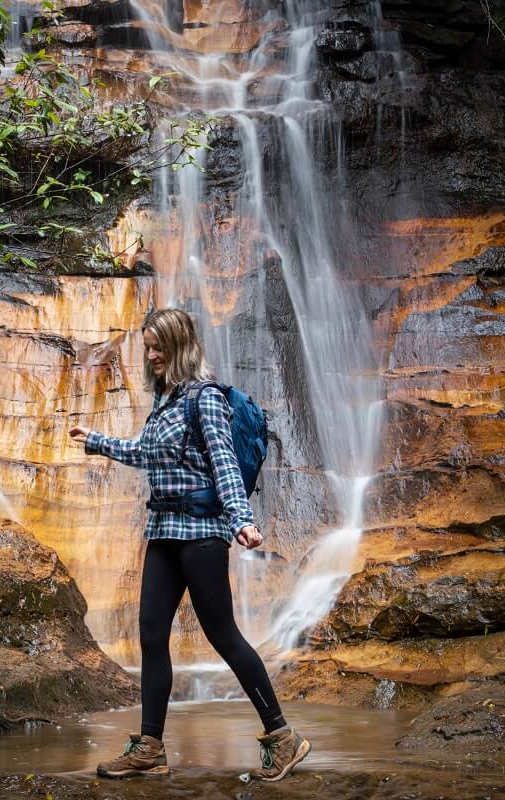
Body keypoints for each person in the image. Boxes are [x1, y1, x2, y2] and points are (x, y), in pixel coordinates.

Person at [69, 307, 310, 782]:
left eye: (159, 347)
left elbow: (223, 464)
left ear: (180, 346)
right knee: (153, 637)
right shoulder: (165, 403)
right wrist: (95, 439)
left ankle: (283, 738)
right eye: (148, 348)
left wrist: (242, 521)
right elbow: (144, 453)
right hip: (162, 533)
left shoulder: (205, 399)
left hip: (202, 535)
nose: (152, 355)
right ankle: (150, 747)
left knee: (223, 635)